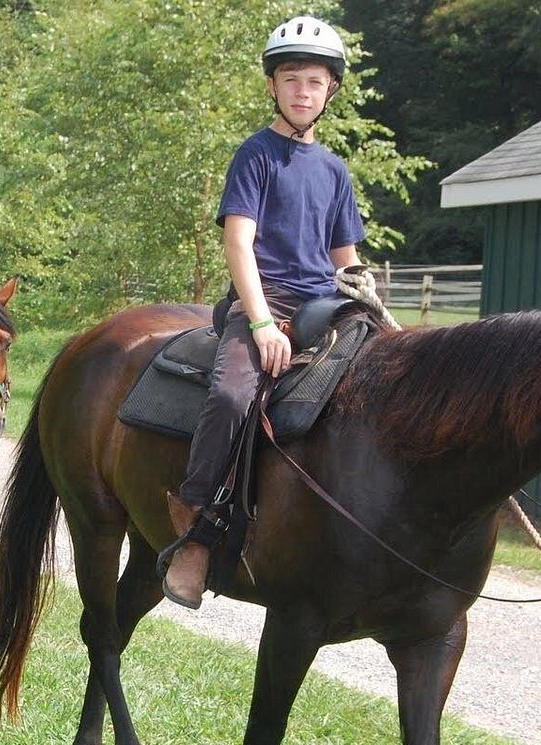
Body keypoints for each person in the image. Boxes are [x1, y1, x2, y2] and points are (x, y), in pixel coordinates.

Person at [161, 15, 368, 610]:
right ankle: (195, 520)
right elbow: (238, 243)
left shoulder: (333, 169)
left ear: (331, 92)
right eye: (292, 78)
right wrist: (259, 323)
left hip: (325, 305)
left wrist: (365, 294)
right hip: (265, 300)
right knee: (231, 395)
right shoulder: (256, 154)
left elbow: (345, 257)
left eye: (316, 81)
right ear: (273, 87)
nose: (304, 91)